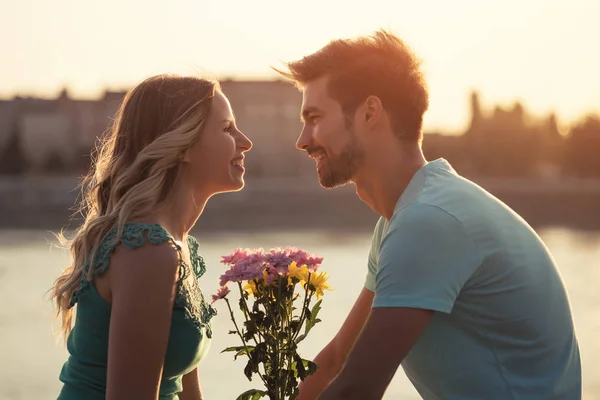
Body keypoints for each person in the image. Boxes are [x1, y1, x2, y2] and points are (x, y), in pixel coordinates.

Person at [274, 30, 582, 399]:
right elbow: (339, 359)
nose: (302, 139)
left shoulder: (429, 220)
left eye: (314, 117)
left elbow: (357, 388)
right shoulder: (404, 218)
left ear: (370, 112)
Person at [49, 74, 252, 399]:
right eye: (227, 128)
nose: (245, 141)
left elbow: (185, 390)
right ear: (183, 144)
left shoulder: (176, 245)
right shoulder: (148, 250)